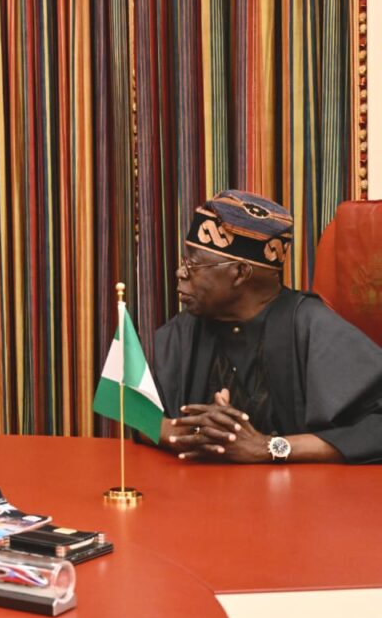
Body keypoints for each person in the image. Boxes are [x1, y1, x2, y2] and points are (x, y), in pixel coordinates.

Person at [152, 189, 382, 464]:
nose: (180, 273)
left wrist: (269, 447)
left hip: (299, 490)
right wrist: (176, 431)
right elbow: (130, 406)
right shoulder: (189, 326)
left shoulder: (312, 325)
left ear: (240, 273)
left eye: (193, 264)